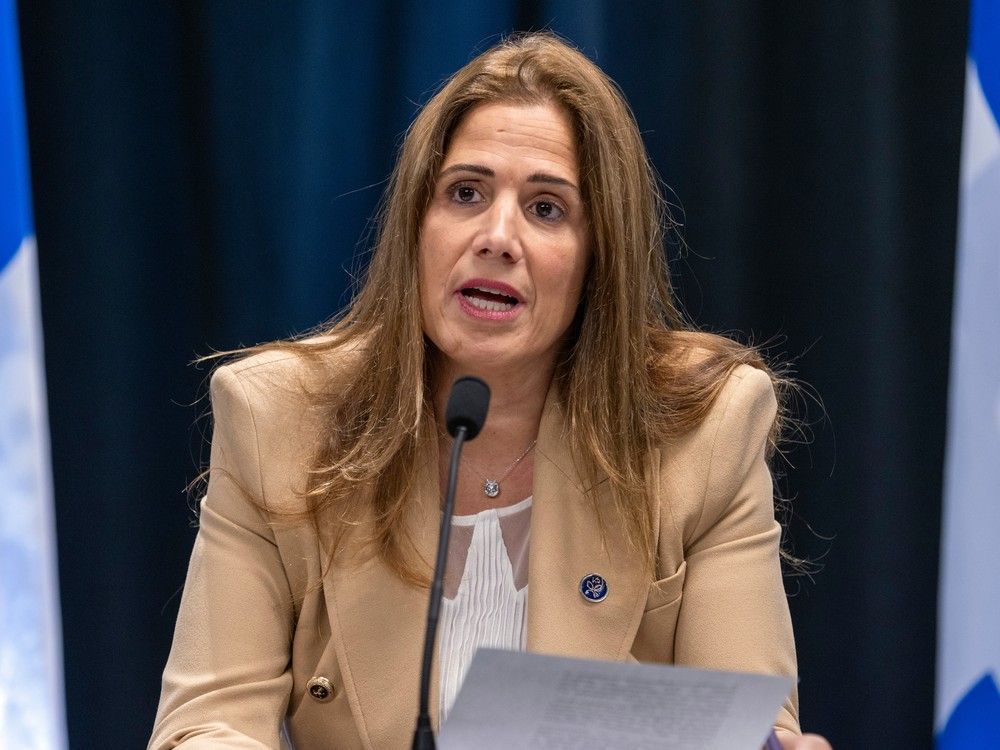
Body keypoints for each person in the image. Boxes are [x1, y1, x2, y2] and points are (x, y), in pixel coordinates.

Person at [149, 32, 832, 750]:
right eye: (465, 193)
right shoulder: (281, 420)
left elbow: (752, 731)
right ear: (417, 226)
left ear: (600, 258)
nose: (496, 236)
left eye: (546, 209)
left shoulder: (702, 431)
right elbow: (206, 724)